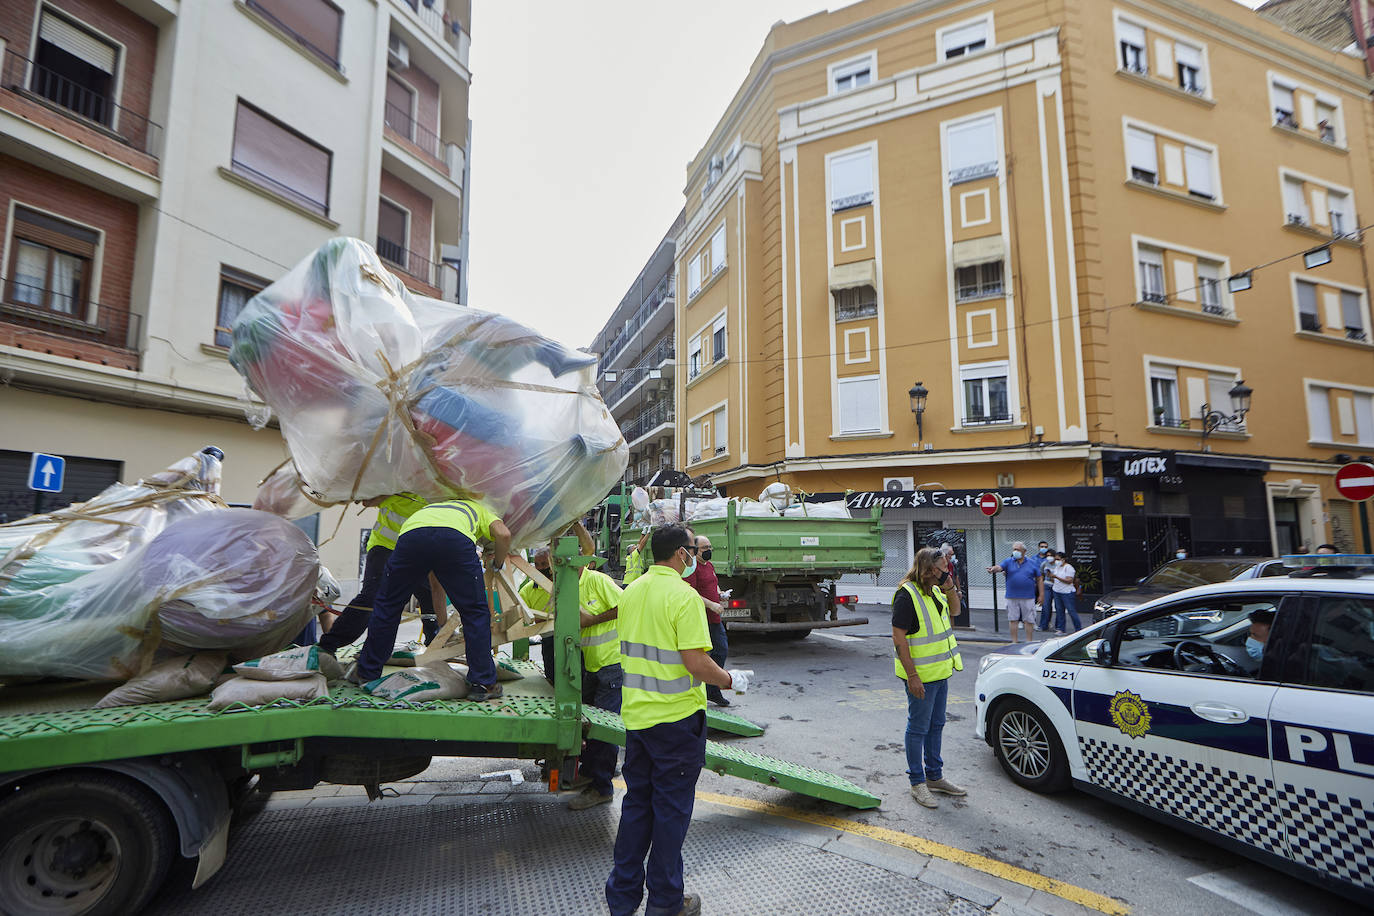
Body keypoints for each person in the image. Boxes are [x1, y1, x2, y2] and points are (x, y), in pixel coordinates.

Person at [606, 525, 741, 916]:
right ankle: (665, 903)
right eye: (694, 551)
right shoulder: (683, 597)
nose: (697, 558)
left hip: (637, 719)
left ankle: (622, 898)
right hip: (677, 723)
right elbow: (696, 663)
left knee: (637, 807)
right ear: (682, 555)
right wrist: (731, 680)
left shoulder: (631, 592)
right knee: (670, 815)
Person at [351, 498, 511, 700]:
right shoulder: (481, 508)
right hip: (454, 539)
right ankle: (483, 683)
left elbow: (437, 586)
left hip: (411, 536)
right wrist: (497, 563)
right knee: (474, 612)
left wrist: (442, 625)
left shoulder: (432, 509)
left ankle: (366, 672)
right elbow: (504, 534)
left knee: (388, 606)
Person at [319, 493, 440, 658]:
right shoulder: (401, 482)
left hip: (420, 552)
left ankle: (435, 646)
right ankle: (329, 645)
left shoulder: (443, 492)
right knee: (372, 597)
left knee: (431, 597)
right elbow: (368, 499)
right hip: (386, 547)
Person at [892, 547, 966, 809]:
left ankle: (935, 776)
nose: (946, 571)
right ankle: (917, 782)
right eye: (942, 568)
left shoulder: (936, 591)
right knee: (918, 728)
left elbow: (955, 612)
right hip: (920, 676)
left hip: (940, 673)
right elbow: (899, 638)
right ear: (928, 569)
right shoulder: (906, 595)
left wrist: (949, 588)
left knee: (936, 725)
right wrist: (912, 676)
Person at [685, 534, 730, 707]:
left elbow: (713, 583)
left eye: (710, 548)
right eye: (705, 548)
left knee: (720, 650)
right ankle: (710, 688)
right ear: (695, 550)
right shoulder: (692, 568)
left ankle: (711, 688)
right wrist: (711, 604)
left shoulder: (709, 565)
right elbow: (690, 592)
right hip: (702, 618)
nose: (709, 551)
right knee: (712, 652)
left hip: (714, 617)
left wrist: (720, 594)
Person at [986, 541, 1042, 643]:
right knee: (1013, 619)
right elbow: (999, 567)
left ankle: (1028, 642)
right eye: (1014, 549)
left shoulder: (1032, 563)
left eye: (1017, 549)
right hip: (1012, 596)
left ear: (1024, 551)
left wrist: (1041, 595)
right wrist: (993, 569)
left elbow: (1039, 579)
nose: (1015, 551)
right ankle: (1014, 642)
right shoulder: (1008, 561)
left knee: (1029, 620)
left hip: (1028, 596)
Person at [1048, 551, 1083, 634]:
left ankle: (1078, 628)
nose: (1056, 561)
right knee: (1059, 610)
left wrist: (1056, 576)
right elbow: (1054, 579)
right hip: (1057, 591)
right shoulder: (1057, 567)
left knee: (1071, 611)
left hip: (1067, 592)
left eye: (1058, 559)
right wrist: (1051, 577)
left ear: (1063, 559)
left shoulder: (1069, 568)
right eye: (1055, 559)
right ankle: (1061, 628)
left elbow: (1069, 580)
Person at [1036, 543, 1057, 632]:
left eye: (1051, 555)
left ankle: (1059, 627)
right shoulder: (1044, 563)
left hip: (1057, 587)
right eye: (1047, 555)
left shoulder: (1058, 564)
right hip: (1047, 586)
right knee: (1046, 606)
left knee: (1058, 607)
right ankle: (1043, 625)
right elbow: (1041, 575)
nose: (1049, 557)